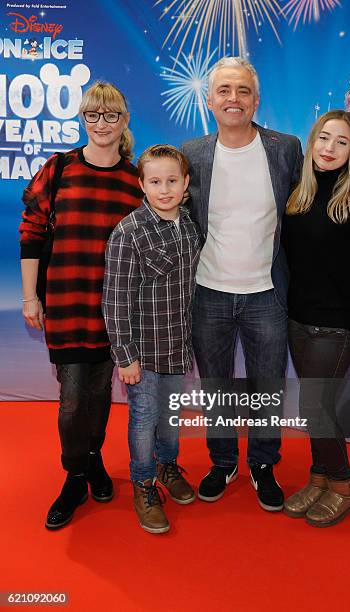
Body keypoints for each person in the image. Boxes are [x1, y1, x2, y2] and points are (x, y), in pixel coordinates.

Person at [19, 81, 143, 530]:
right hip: (68, 302)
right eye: (94, 115)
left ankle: (93, 460)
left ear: (124, 120)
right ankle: (75, 474)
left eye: (111, 115)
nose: (102, 124)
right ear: (83, 118)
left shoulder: (136, 180)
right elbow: (31, 232)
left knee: (98, 393)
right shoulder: (59, 168)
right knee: (72, 400)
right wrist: (31, 296)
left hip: (115, 311)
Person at [181, 56, 303, 511]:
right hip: (207, 291)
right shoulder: (191, 153)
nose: (234, 99)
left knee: (267, 385)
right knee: (216, 385)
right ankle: (224, 460)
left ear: (256, 100)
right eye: (225, 91)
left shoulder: (286, 148)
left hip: (268, 293)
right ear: (210, 100)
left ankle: (264, 464)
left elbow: (306, 208)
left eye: (243, 91)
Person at [282, 110, 350, 527]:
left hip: (338, 327)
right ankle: (320, 476)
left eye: (341, 142)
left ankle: (343, 484)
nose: (329, 148)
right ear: (312, 141)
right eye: (324, 138)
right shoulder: (295, 195)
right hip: (297, 321)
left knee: (316, 406)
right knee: (314, 406)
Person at [102, 145, 202, 534]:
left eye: (172, 181)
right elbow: (115, 301)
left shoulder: (190, 225)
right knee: (144, 420)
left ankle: (167, 465)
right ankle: (144, 483)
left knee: (171, 417)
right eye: (156, 182)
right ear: (141, 184)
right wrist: (124, 356)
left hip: (178, 348)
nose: (165, 190)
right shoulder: (128, 233)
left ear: (186, 183)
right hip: (142, 355)